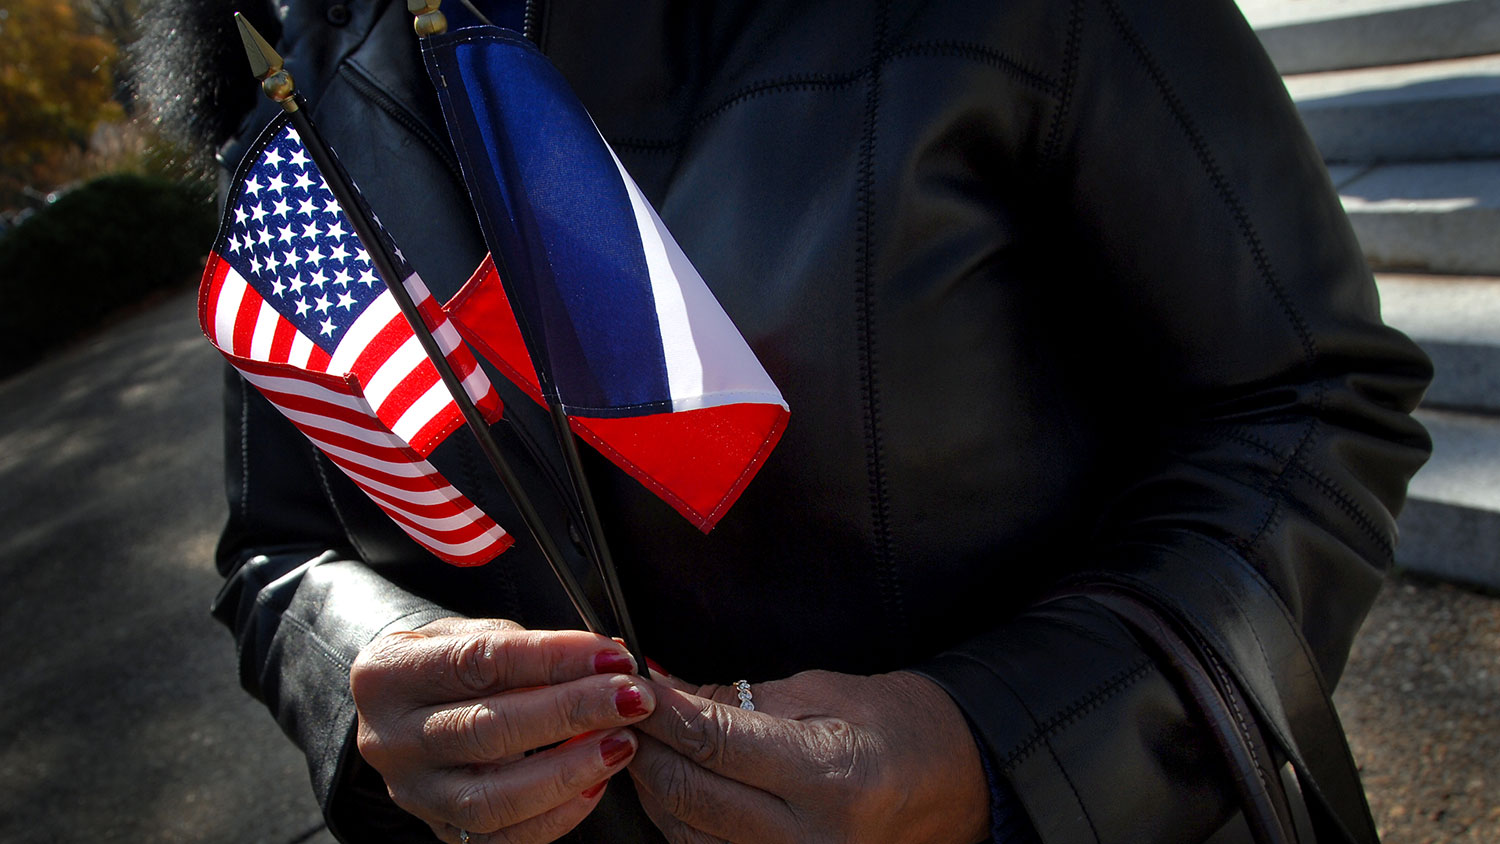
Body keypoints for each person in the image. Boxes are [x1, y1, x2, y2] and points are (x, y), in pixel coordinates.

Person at [180, 0, 1432, 841]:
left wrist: (991, 742)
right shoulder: (301, 65)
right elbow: (280, 555)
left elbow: (1309, 403)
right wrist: (374, 679)